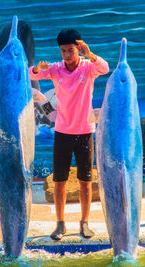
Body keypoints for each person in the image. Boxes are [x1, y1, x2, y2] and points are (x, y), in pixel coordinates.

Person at [29, 29, 109, 240]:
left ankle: (84, 222)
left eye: (71, 50)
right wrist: (38, 68)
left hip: (84, 132)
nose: (67, 54)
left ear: (78, 48)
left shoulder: (88, 68)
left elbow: (105, 68)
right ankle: (60, 224)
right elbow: (30, 74)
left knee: (85, 181)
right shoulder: (55, 69)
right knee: (60, 181)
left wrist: (89, 54)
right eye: (63, 50)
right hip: (62, 132)